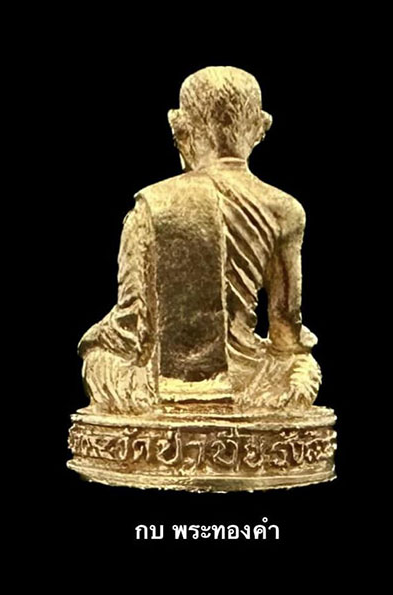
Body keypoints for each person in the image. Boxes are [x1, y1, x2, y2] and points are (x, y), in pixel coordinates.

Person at [77, 66, 321, 414]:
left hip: (161, 381)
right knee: (299, 369)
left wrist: (97, 340)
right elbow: (286, 327)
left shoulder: (153, 204)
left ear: (181, 127)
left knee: (98, 358)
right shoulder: (285, 209)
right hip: (251, 379)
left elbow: (131, 321)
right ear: (260, 127)